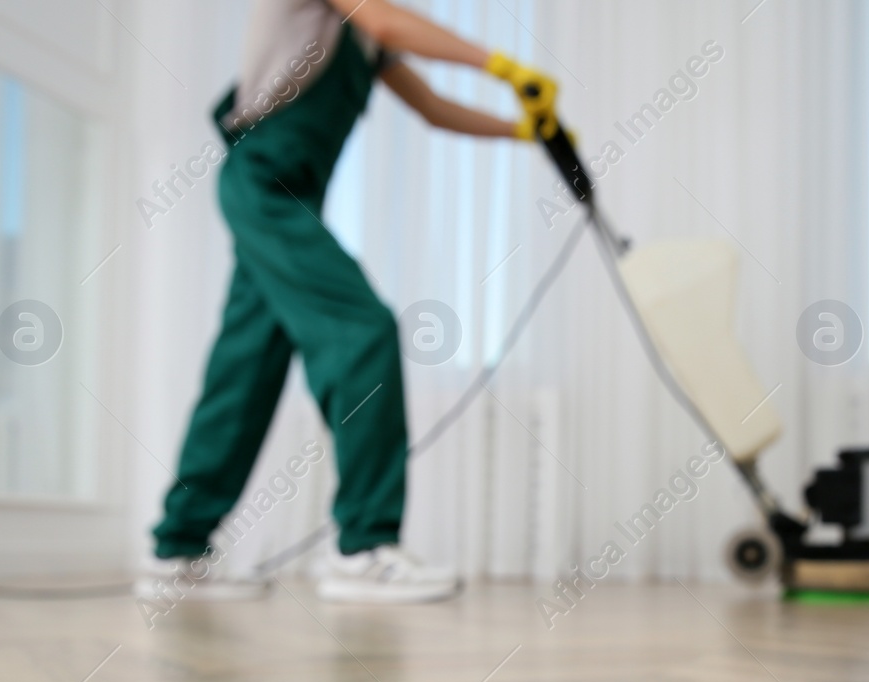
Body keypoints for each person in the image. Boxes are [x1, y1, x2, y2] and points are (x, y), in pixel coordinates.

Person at [137, 0, 557, 604]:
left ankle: (177, 552)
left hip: (287, 201)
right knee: (363, 331)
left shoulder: (366, 43)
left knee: (245, 370)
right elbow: (388, 20)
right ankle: (363, 549)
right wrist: (503, 66)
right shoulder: (364, 17)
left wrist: (526, 131)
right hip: (262, 182)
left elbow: (434, 109)